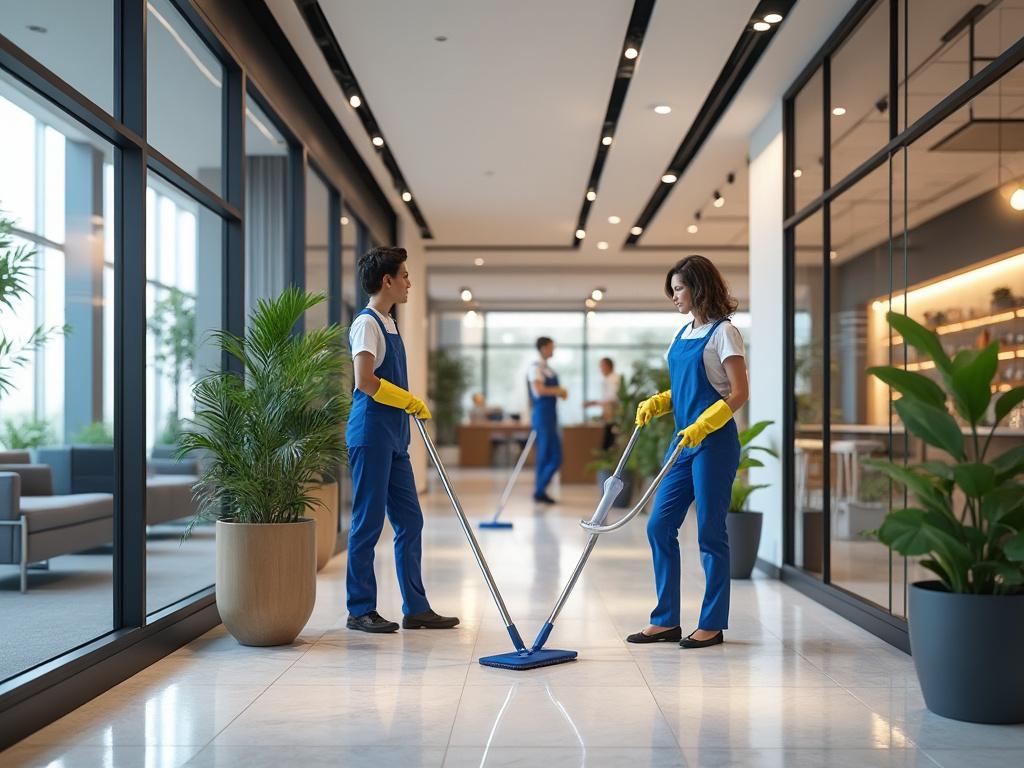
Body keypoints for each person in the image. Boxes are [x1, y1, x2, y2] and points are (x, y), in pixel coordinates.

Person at [627, 255, 748, 650]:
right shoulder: (682, 334)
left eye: (679, 288)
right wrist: (659, 402)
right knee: (658, 525)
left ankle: (711, 624)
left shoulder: (724, 333)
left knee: (711, 532)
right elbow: (681, 391)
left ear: (698, 288)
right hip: (682, 443)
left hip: (713, 443)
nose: (674, 296)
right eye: (673, 290)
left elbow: (738, 392)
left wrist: (705, 424)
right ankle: (665, 620)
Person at [346, 246, 459, 633]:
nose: (410, 282)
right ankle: (360, 609)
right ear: (387, 280)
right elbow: (364, 381)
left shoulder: (389, 323)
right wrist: (406, 398)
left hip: (394, 437)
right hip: (370, 433)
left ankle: (416, 608)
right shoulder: (367, 324)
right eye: (405, 275)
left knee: (410, 520)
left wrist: (405, 406)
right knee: (368, 522)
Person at [528, 336, 567, 504]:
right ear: (543, 348)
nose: (553, 350)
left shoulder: (548, 369)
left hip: (551, 414)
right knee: (544, 454)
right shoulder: (535, 368)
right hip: (542, 414)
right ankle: (539, 490)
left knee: (556, 455)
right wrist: (557, 391)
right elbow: (539, 389)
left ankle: (541, 489)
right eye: (551, 347)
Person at [585, 357, 622, 450]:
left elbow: (613, 398)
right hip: (608, 415)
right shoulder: (608, 379)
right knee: (608, 438)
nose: (601, 369)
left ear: (609, 366)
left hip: (613, 414)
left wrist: (594, 403)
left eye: (602, 366)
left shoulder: (614, 379)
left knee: (611, 440)